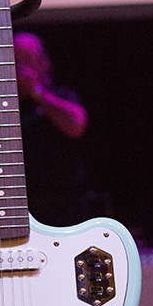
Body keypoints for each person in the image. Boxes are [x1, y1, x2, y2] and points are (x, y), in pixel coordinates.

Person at [13, 32, 91, 225]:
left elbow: (76, 125)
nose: (21, 68)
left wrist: (36, 93)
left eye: (27, 60)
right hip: (21, 210)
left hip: (65, 209)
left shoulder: (61, 95)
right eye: (16, 61)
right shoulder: (3, 109)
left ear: (43, 63)